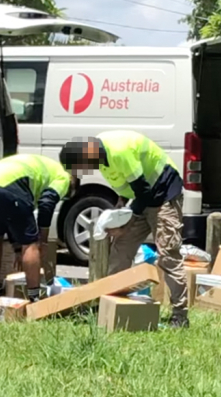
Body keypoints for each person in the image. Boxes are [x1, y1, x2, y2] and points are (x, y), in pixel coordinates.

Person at [59, 131, 189, 328]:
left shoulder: (119, 151)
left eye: (78, 168)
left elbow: (143, 192)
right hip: (142, 198)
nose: (81, 173)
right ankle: (110, 304)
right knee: (120, 249)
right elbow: (125, 190)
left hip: (163, 195)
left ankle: (180, 315)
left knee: (168, 254)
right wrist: (118, 216)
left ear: (86, 156)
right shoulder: (100, 160)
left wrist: (126, 223)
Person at [0, 154, 75, 302]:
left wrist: (17, 248)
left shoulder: (47, 166)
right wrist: (43, 240)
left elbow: (11, 218)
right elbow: (46, 203)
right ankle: (34, 297)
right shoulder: (64, 178)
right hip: (10, 186)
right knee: (31, 243)